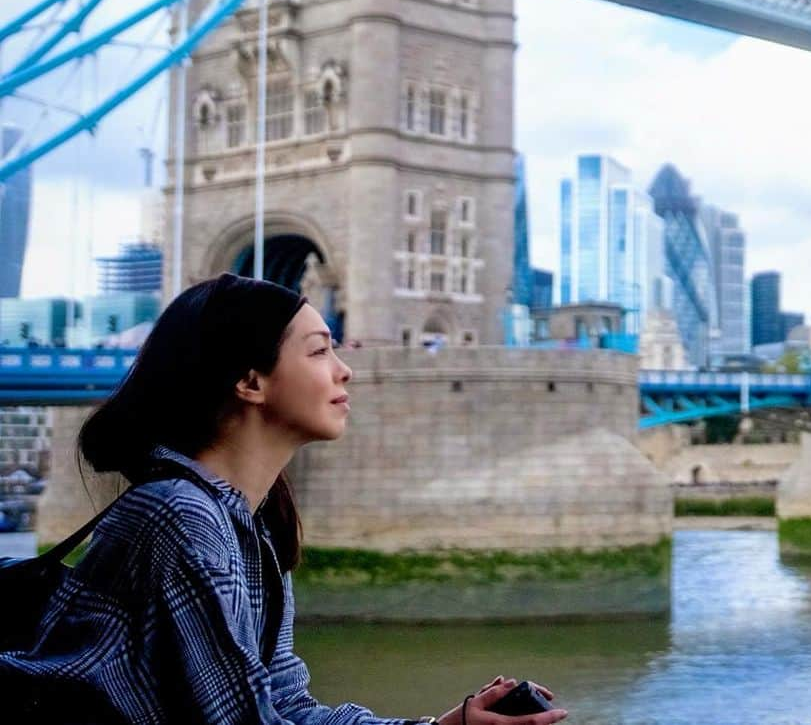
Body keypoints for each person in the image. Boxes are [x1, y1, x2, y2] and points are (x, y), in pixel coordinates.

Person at [0, 273, 568, 725]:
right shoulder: (181, 518)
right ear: (250, 382)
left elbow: (287, 705)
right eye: (320, 352)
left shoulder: (252, 525)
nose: (346, 370)